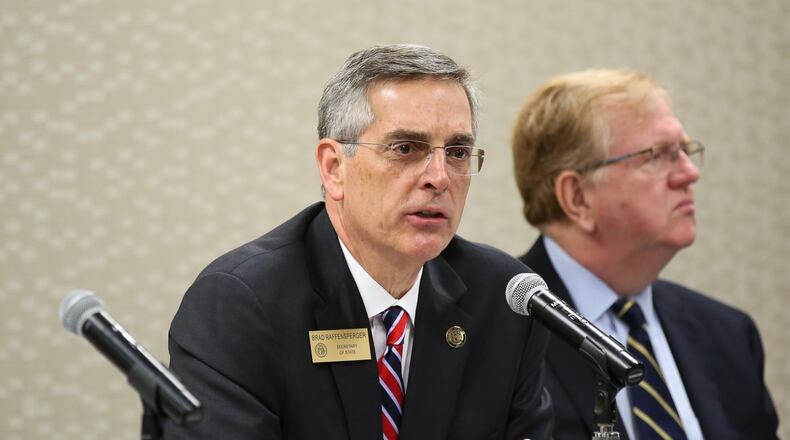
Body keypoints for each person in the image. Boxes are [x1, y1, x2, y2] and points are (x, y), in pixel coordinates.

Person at [163, 44, 553, 439]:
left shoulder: (503, 299)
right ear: (334, 168)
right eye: (405, 148)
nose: (440, 176)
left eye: (457, 152)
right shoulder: (241, 304)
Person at [511, 69, 779, 439]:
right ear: (577, 197)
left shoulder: (729, 335)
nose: (689, 174)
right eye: (658, 156)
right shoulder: (496, 330)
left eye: (685, 152)